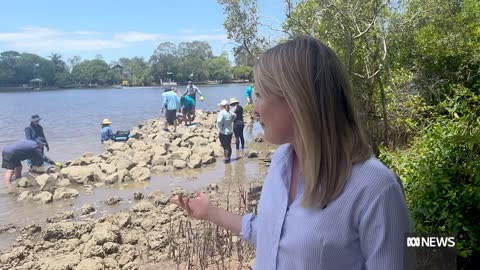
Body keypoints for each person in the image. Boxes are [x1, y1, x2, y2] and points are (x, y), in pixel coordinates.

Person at [171, 36, 412, 269]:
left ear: (297, 100)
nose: (255, 111)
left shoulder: (376, 189)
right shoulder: (281, 161)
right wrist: (210, 212)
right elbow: (273, 236)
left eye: (261, 95)